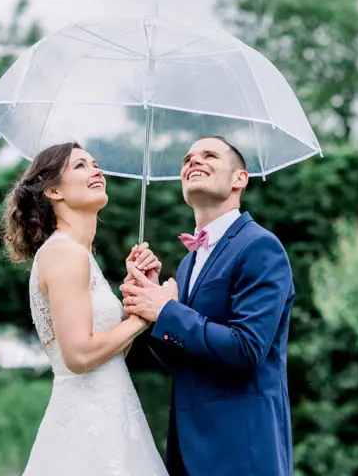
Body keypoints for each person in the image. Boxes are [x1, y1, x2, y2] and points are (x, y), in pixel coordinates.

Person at [121, 135, 295, 476]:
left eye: (209, 155)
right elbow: (183, 359)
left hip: (242, 449)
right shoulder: (188, 264)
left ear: (239, 179)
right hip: (190, 449)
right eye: (187, 159)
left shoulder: (260, 246)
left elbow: (246, 349)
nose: (193, 162)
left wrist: (167, 312)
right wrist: (151, 308)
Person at [2, 141, 172, 476]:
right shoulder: (65, 253)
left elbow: (108, 354)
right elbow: (79, 357)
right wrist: (144, 315)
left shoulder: (81, 257)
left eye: (95, 163)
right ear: (53, 190)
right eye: (81, 166)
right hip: (87, 428)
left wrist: (140, 293)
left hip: (112, 414)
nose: (97, 170)